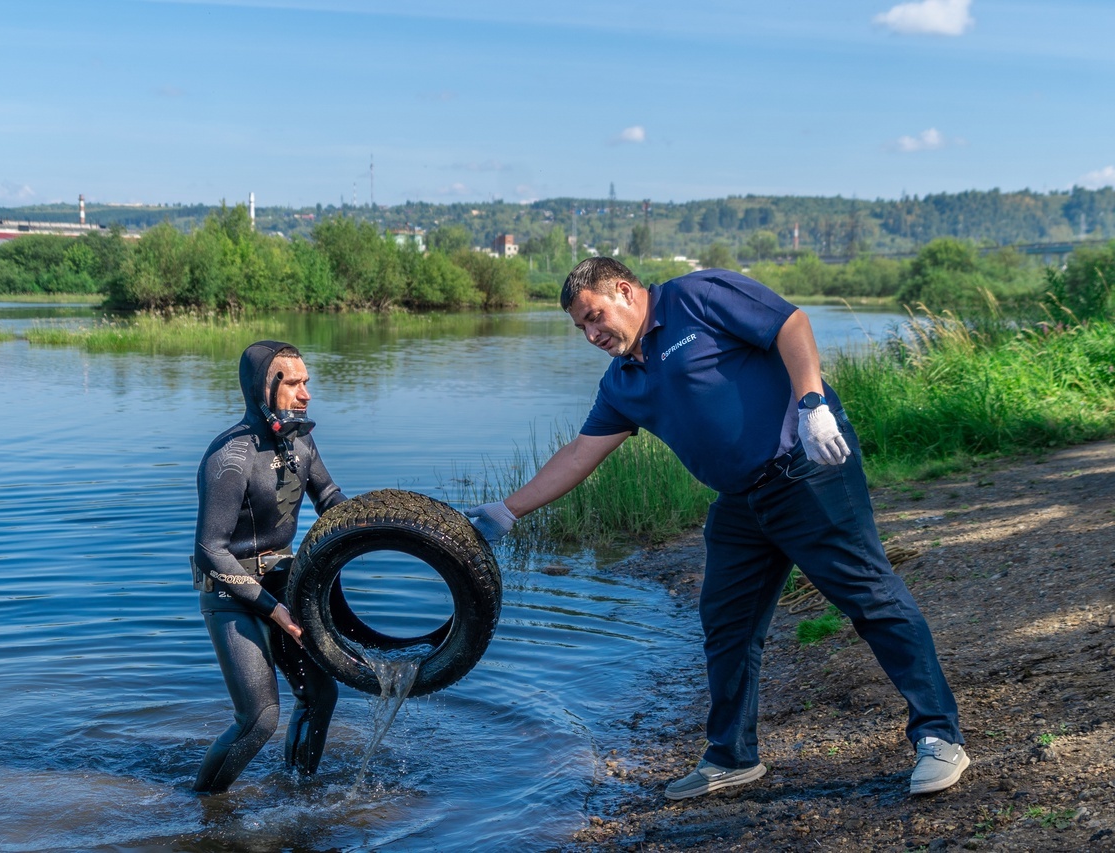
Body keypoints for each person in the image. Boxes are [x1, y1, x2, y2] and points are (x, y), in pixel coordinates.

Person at [466, 258, 969, 799]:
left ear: (623, 289)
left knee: (870, 598)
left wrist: (813, 404)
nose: (591, 334)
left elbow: (790, 323)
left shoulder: (696, 296)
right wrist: (507, 511)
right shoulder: (622, 382)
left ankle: (940, 737)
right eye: (581, 328)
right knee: (726, 624)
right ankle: (732, 756)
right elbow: (581, 453)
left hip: (806, 467)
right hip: (741, 501)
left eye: (594, 317)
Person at [190, 340, 346, 794]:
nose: (306, 394)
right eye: (294, 383)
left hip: (284, 581)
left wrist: (371, 526)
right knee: (259, 719)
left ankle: (297, 797)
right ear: (264, 386)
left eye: (307, 383)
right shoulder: (230, 457)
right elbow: (209, 550)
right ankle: (200, 807)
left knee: (320, 696)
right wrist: (272, 609)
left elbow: (330, 499)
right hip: (231, 592)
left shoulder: (301, 441)